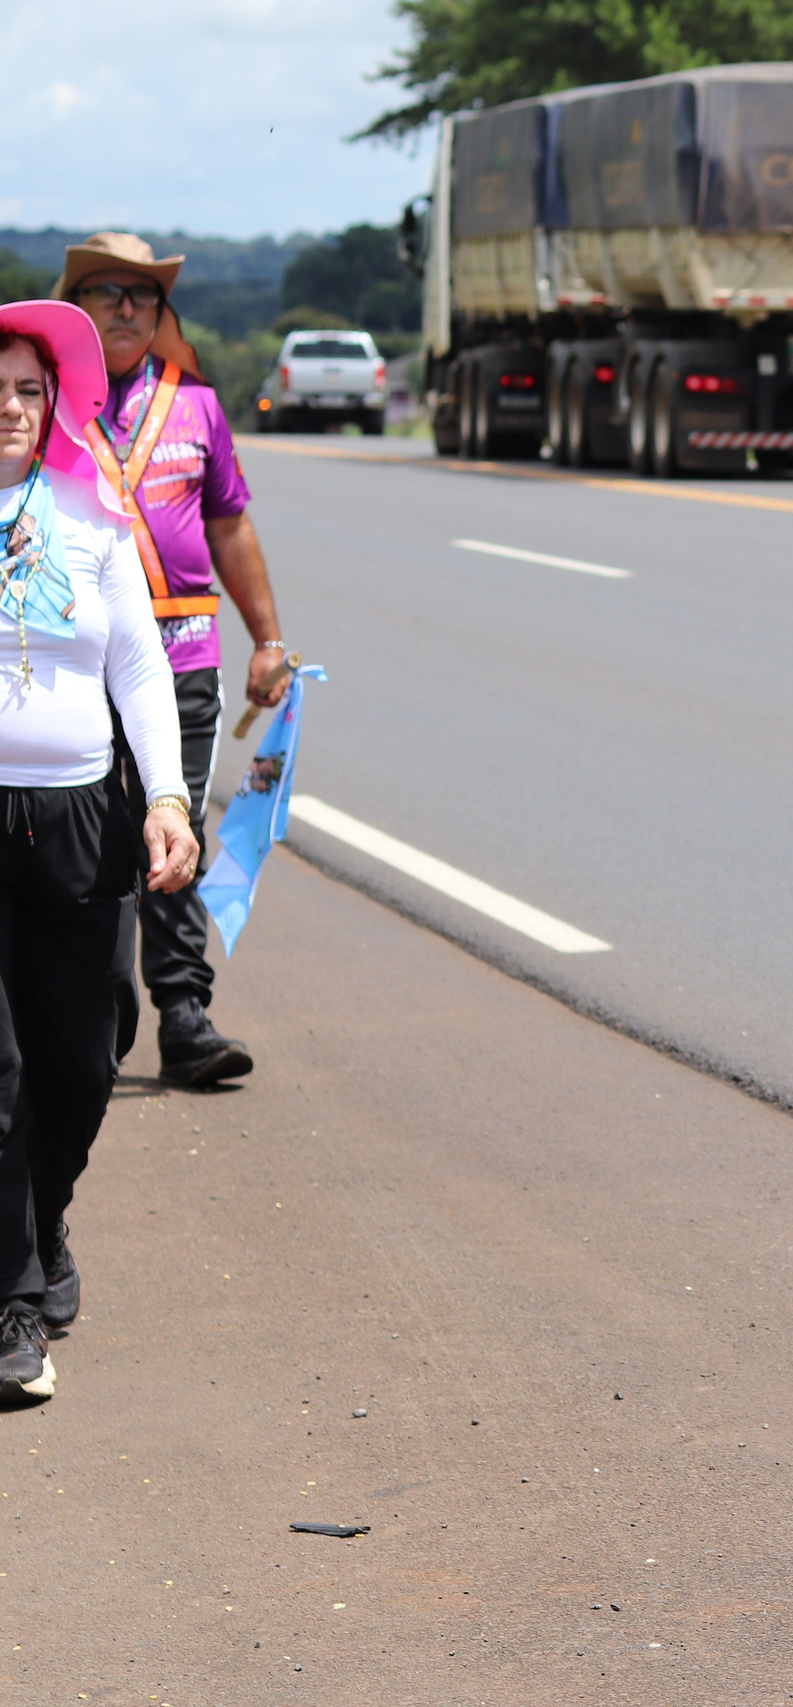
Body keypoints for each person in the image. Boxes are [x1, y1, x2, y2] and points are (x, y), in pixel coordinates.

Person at [0, 300, 198, 1398]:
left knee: (79, 1064)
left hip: (82, 819)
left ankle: (44, 1218)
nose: (10, 408)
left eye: (28, 390)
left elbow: (138, 665)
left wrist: (166, 795)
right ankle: (12, 1304)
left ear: (53, 403)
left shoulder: (93, 514)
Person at [58, 233, 286, 1087]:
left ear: (162, 314)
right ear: (76, 308)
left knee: (174, 826)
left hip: (183, 656)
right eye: (109, 293)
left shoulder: (197, 405)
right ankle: (85, 1010)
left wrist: (268, 640)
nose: (127, 309)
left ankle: (184, 1012)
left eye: (143, 296)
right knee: (88, 840)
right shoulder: (45, 403)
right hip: (79, 662)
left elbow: (230, 524)